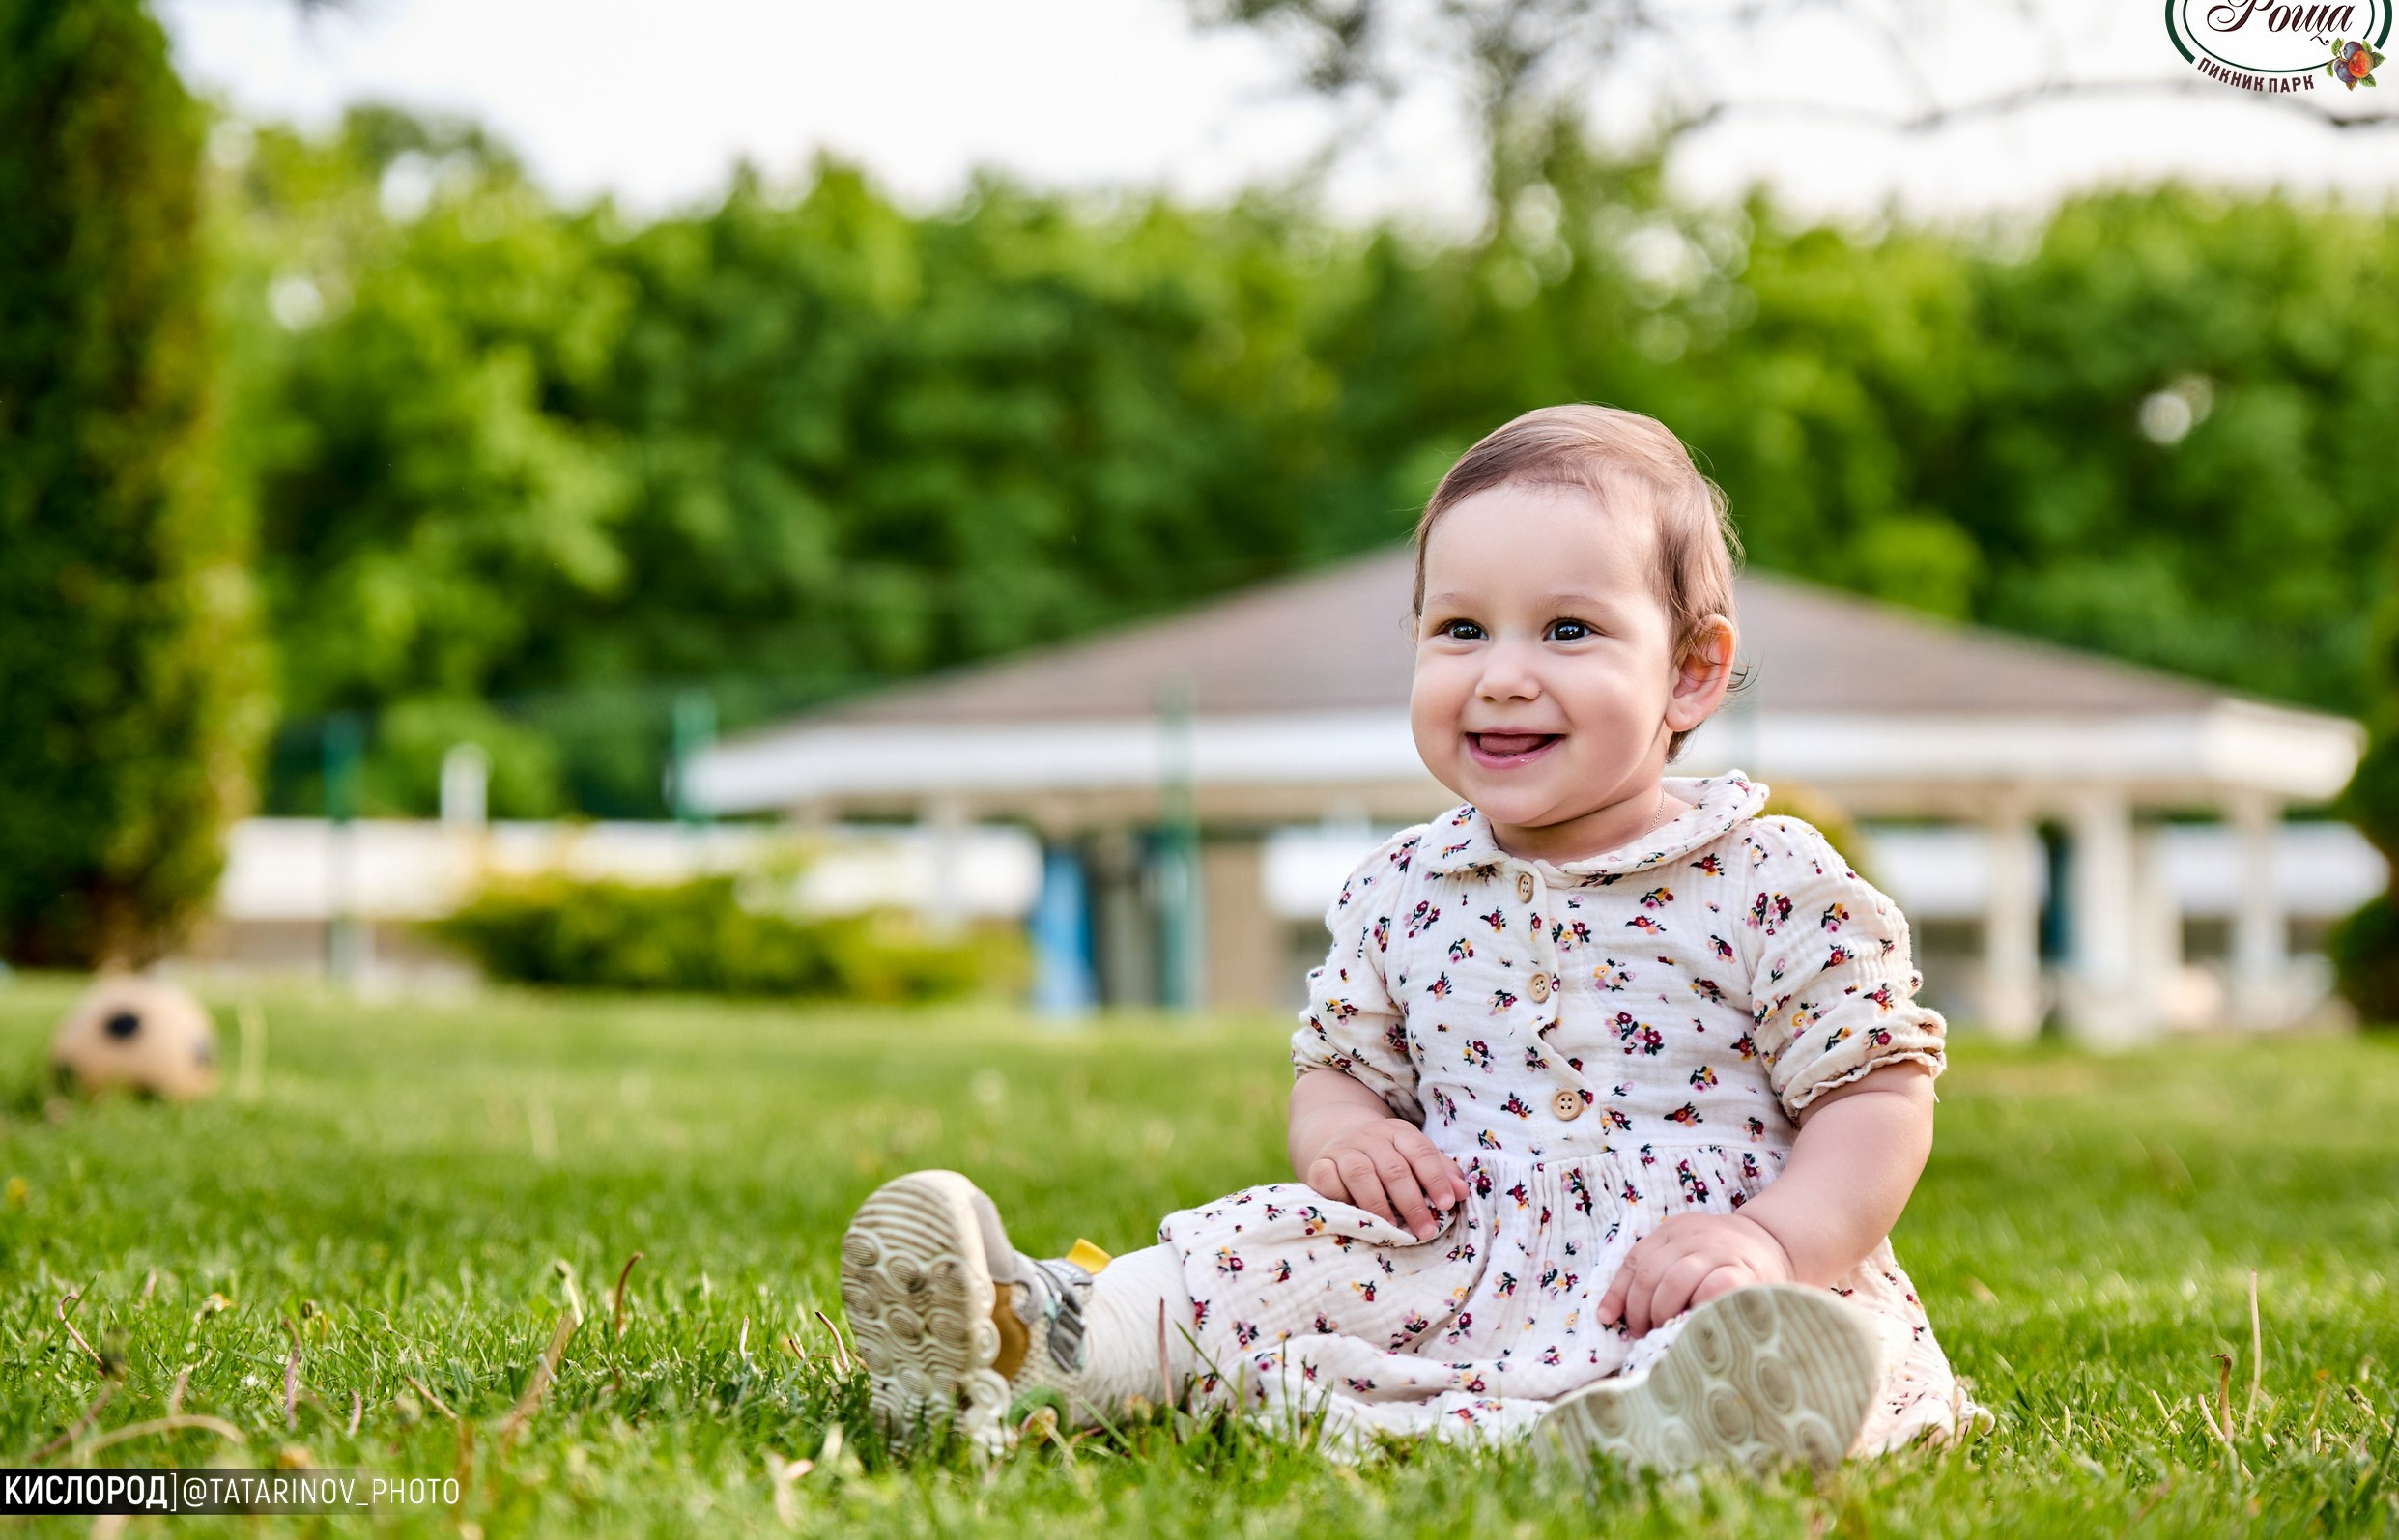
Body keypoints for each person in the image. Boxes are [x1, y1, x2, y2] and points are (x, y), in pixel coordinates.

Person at [837, 404, 1975, 1471]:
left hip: (1688, 1265)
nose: (1502, 675)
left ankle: (1685, 1423)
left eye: (1569, 629)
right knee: (1250, 1258)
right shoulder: (1405, 885)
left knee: (1779, 1340)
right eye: (1460, 628)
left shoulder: (1767, 878)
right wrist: (1345, 1138)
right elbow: (1339, 1067)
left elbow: (1875, 1097)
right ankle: (1040, 1335)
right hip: (1454, 1254)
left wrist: (1772, 1242)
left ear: (1690, 670)